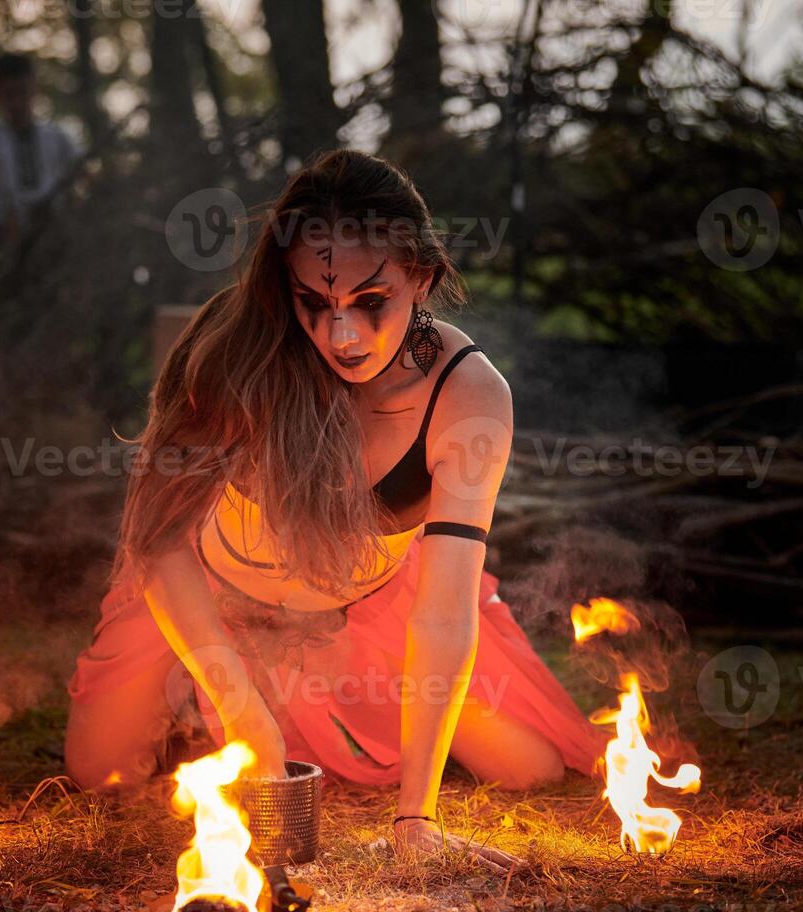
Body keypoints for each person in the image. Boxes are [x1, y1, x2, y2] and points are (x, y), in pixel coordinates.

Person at [64, 150, 605, 871]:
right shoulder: (233, 353)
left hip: (366, 611)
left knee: (530, 767)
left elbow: (443, 613)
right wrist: (245, 712)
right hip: (203, 595)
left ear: (423, 274)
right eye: (314, 304)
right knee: (101, 770)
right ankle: (213, 703)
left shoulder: (469, 399)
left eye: (370, 301)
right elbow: (158, 542)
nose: (341, 336)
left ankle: (286, 709)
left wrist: (416, 818)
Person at [0, 52, 80, 258]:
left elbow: (78, 192)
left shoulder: (60, 140)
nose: (17, 102)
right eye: (9, 94)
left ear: (34, 90)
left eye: (23, 92)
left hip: (55, 244)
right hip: (1, 248)